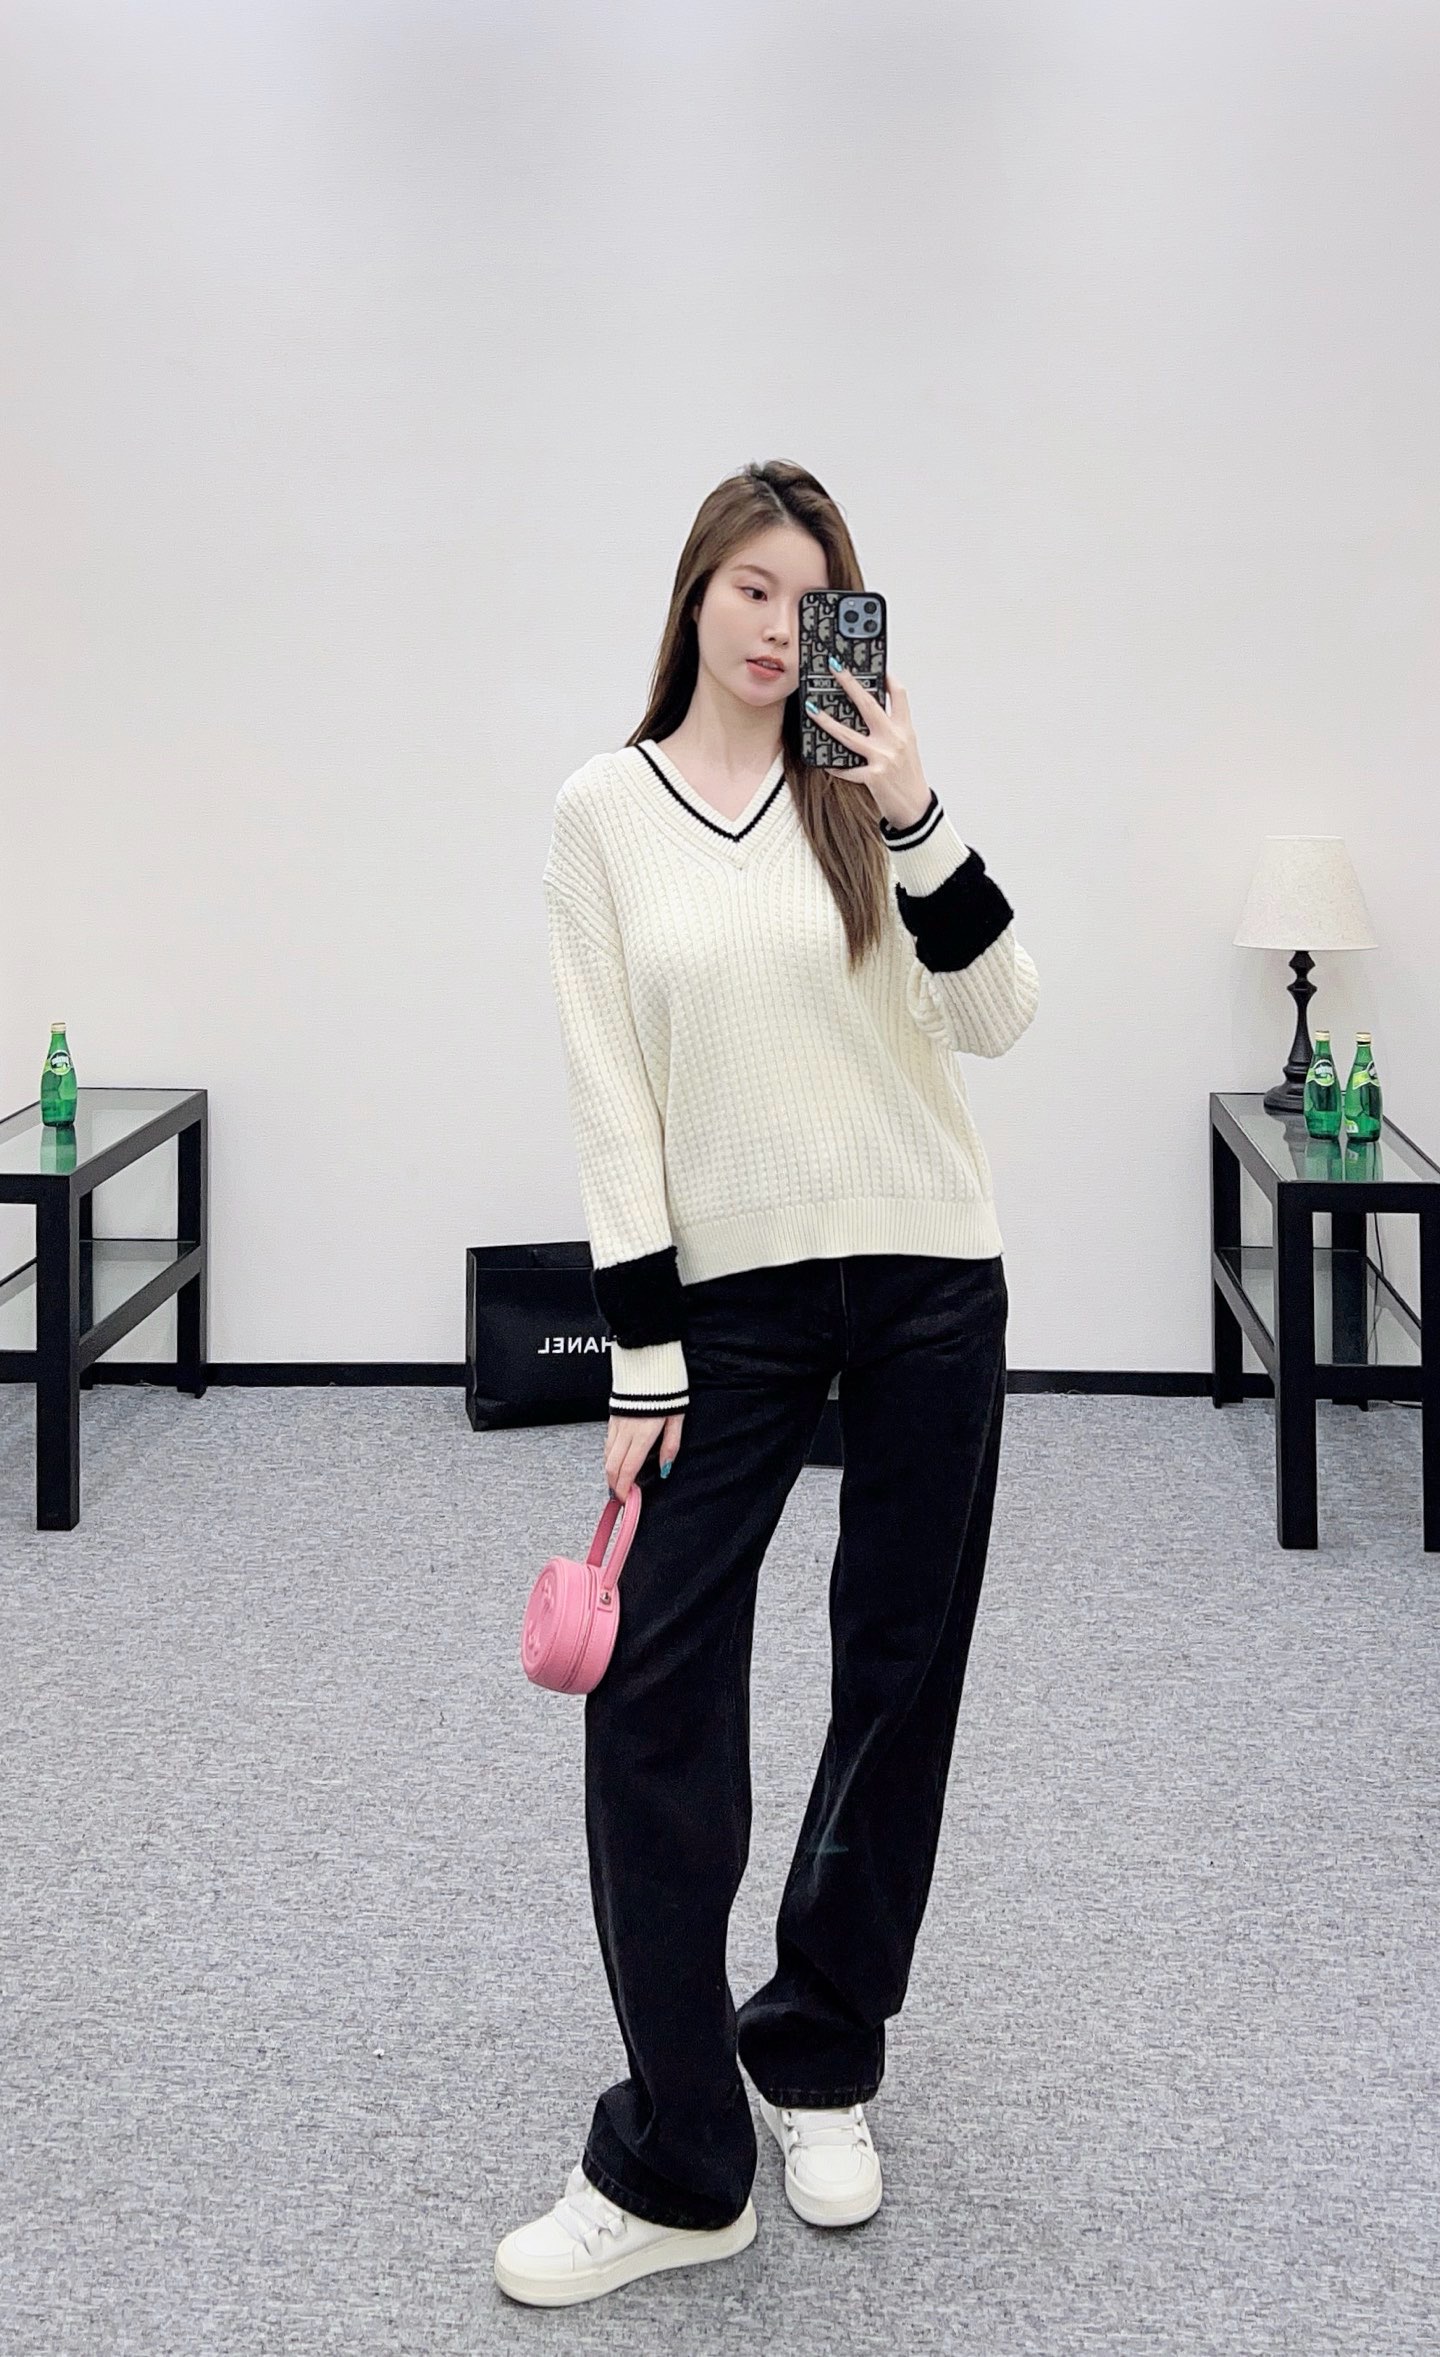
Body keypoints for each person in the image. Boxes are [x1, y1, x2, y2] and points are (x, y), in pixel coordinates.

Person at [494, 459, 1039, 2307]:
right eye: (748, 586)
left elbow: (1002, 1012)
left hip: (927, 1277)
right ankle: (681, 2155)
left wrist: (915, 810)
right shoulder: (604, 813)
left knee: (899, 1668)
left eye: (812, 601)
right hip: (727, 1311)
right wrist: (642, 1350)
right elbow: (611, 1098)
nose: (776, 626)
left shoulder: (858, 799)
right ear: (694, 596)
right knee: (653, 1691)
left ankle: (819, 2049)